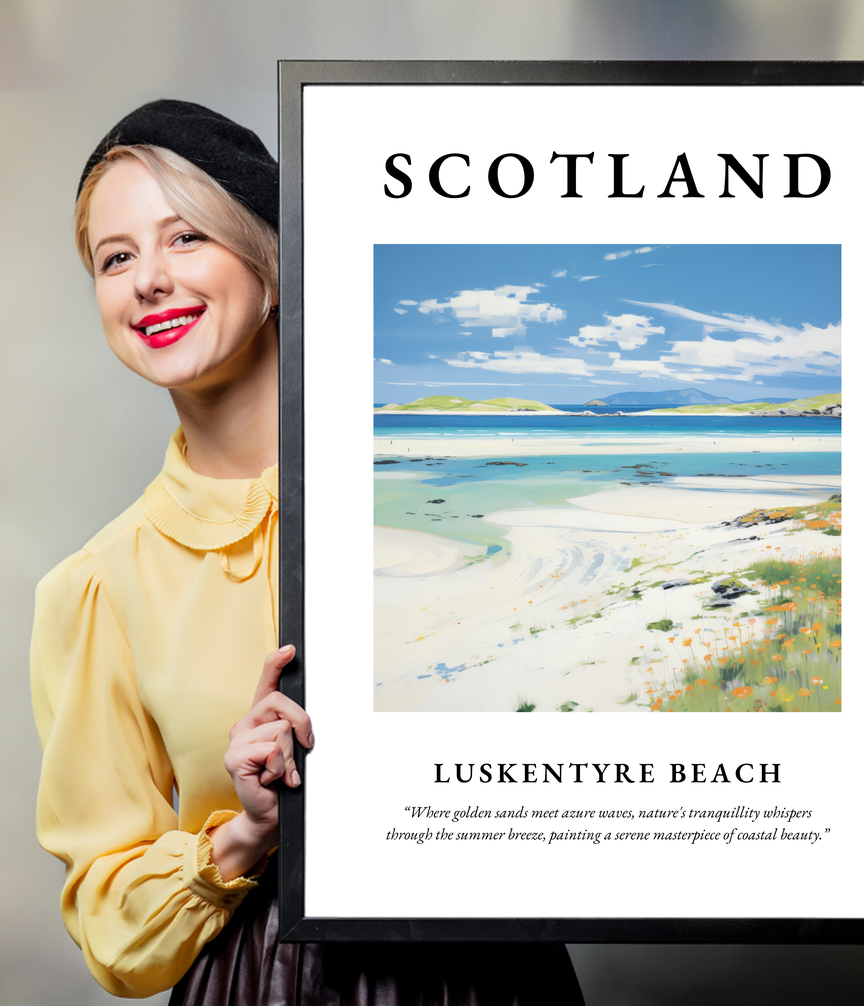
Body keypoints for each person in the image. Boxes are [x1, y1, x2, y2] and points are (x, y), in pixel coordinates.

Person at [30, 100, 586, 1004]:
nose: (149, 281)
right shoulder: (97, 586)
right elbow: (110, 924)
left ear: (273, 262)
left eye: (186, 237)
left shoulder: (448, 493)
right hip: (263, 981)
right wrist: (246, 833)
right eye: (115, 258)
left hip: (491, 971)